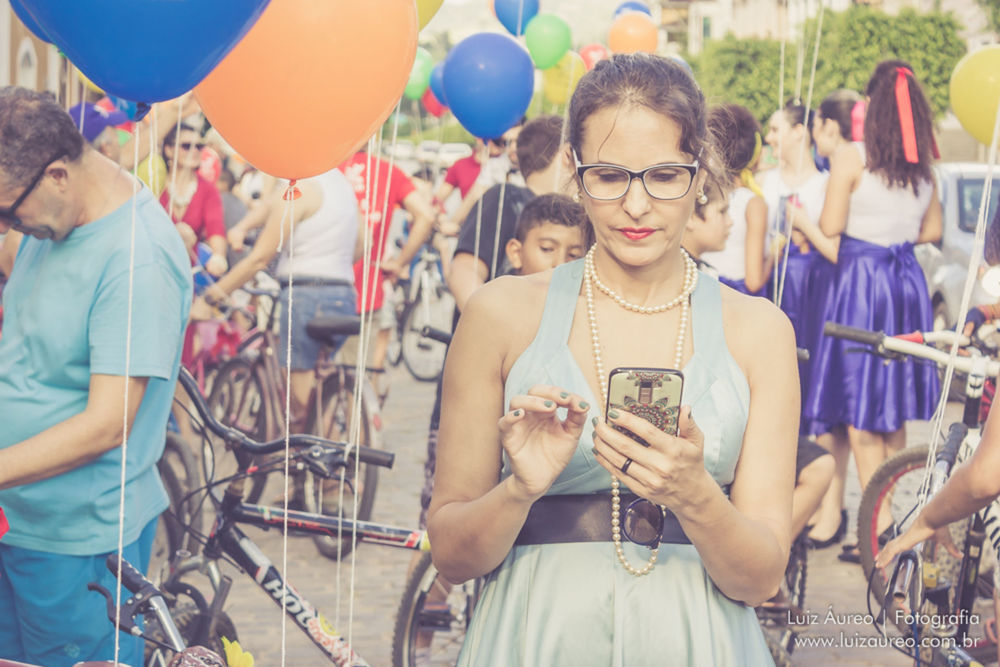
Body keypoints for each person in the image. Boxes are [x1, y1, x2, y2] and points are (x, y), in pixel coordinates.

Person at [427, 54, 797, 665]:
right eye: (609, 175)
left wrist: (696, 495)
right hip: (534, 637)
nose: (636, 204)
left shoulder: (760, 331)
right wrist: (519, 489)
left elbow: (760, 580)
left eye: (663, 175)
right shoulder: (499, 314)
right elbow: (452, 554)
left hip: (697, 638)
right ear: (573, 172)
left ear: (699, 173)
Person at [0, 87, 192, 666]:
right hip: (24, 522)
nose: (7, 225)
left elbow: (108, 424)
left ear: (57, 174)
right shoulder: (56, 218)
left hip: (77, 540)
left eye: (8, 211)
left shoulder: (137, 258)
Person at [793, 61, 943, 564]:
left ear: (870, 110)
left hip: (859, 286)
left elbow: (831, 227)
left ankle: (873, 528)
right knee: (891, 406)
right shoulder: (924, 167)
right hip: (904, 287)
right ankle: (891, 514)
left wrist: (803, 223)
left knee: (859, 411)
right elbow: (930, 232)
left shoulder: (853, 157)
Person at [193, 169, 363, 429]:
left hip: (306, 295)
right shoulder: (341, 185)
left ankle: (306, 455)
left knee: (300, 404)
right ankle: (328, 447)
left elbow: (259, 259)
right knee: (321, 393)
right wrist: (243, 226)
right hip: (343, 292)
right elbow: (364, 243)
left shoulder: (300, 186)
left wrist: (212, 297)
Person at [793, 88, 865, 551]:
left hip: (836, 294)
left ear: (828, 128)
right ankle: (829, 509)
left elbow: (836, 245)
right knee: (830, 414)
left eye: (816, 124)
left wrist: (802, 225)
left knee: (838, 410)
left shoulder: (844, 169)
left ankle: (833, 511)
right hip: (824, 292)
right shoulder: (844, 167)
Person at [340, 149, 435, 377]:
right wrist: (400, 262)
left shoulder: (322, 168)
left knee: (313, 383)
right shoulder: (387, 170)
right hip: (366, 291)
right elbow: (426, 216)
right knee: (361, 378)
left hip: (318, 289)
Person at [700, 104, 773, 295]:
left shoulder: (701, 192)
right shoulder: (753, 203)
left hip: (701, 289)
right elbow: (754, 282)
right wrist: (774, 254)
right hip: (735, 296)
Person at [159, 122, 228, 270]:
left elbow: (215, 227)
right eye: (186, 146)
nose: (195, 151)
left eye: (199, 146)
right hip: (153, 267)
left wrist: (219, 256)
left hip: (186, 272)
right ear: (169, 150)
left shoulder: (208, 189)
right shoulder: (155, 182)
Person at [503, 193, 590, 276]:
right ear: (516, 253)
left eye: (574, 255)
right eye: (547, 249)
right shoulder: (494, 290)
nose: (561, 264)